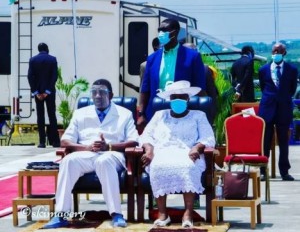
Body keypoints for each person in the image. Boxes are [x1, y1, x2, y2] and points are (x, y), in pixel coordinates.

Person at [42, 79, 139, 229]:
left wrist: (109, 146)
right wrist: (85, 147)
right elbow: (65, 141)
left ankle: (116, 214)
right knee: (68, 161)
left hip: (113, 154)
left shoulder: (124, 114)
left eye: (102, 92)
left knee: (104, 161)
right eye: (94, 92)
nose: (97, 96)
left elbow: (133, 141)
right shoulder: (80, 113)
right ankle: (61, 214)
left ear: (111, 95)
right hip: (86, 154)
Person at [139, 81, 215, 228]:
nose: (178, 100)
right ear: (169, 99)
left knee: (188, 166)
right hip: (162, 152)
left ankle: (188, 213)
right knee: (157, 165)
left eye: (182, 97)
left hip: (188, 152)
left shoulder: (198, 115)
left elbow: (208, 137)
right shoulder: (160, 115)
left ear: (187, 99)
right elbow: (146, 135)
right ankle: (163, 214)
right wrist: (149, 150)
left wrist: (197, 148)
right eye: (174, 97)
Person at [138, 19, 206, 126]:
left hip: (182, 110)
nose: (160, 33)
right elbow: (145, 89)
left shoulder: (192, 57)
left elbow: (200, 88)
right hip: (156, 111)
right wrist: (141, 114)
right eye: (159, 30)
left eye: (164, 30)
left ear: (175, 32)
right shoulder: (152, 58)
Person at [258, 43, 298, 181]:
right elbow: (263, 88)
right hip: (267, 109)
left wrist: (282, 98)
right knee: (265, 141)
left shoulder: (292, 70)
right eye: (274, 51)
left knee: (283, 142)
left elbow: (292, 89)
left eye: (279, 51)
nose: (276, 53)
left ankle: (284, 171)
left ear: (284, 53)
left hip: (283, 109)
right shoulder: (263, 70)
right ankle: (263, 171)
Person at [27, 42, 60, 148]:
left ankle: (41, 142)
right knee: (52, 116)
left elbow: (30, 77)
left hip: (38, 93)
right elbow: (54, 76)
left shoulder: (32, 60)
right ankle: (55, 141)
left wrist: (36, 92)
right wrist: (47, 91)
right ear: (47, 49)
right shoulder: (52, 59)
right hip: (49, 92)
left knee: (40, 116)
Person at [183, 42, 218, 125]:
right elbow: (212, 94)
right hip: (202, 112)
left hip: (190, 113)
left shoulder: (205, 69)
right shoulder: (206, 69)